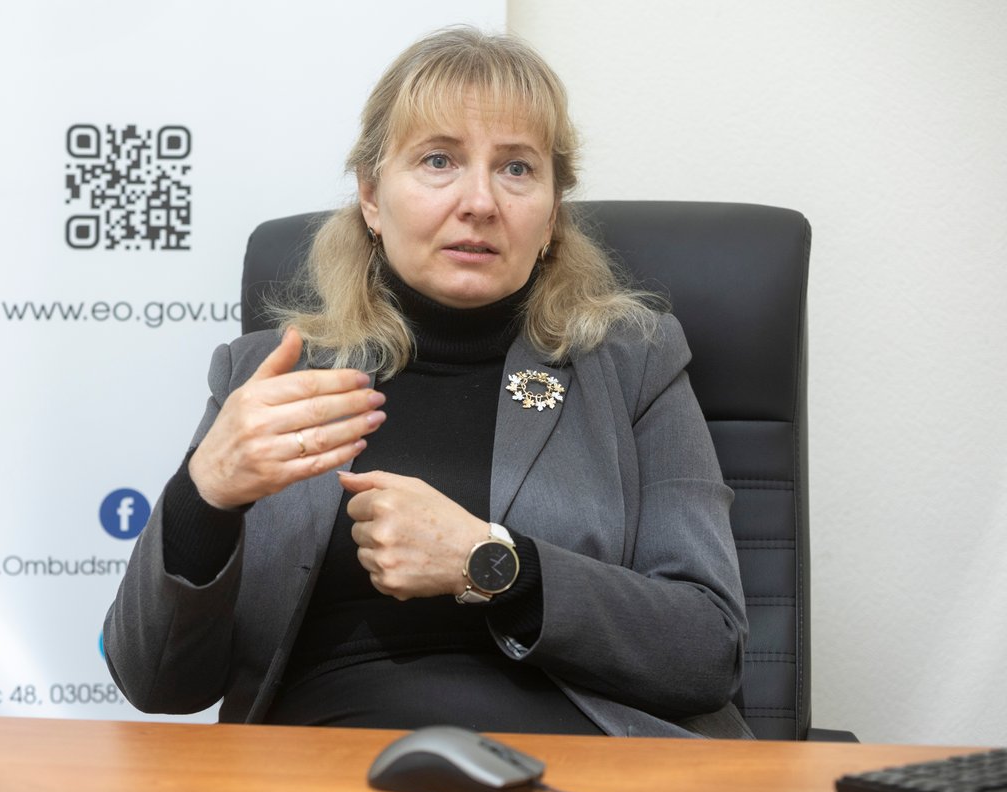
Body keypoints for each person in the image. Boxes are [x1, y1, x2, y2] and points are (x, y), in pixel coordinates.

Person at [103, 26, 751, 739]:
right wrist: (204, 494)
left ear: (551, 216)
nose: (480, 201)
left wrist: (492, 563)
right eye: (439, 160)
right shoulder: (269, 375)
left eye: (516, 168)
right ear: (371, 196)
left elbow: (707, 650)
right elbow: (155, 682)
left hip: (577, 762)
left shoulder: (632, 363)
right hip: (324, 768)